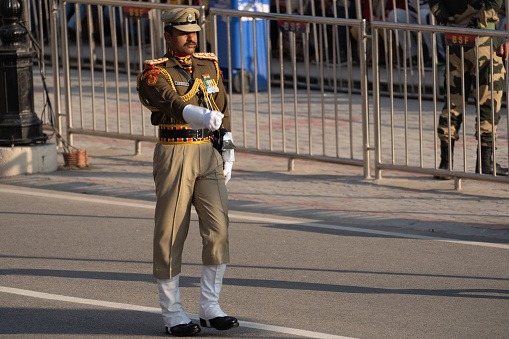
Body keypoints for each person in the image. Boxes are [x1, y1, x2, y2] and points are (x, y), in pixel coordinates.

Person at [136, 7, 239, 337]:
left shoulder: (209, 66)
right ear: (168, 36)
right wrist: (194, 112)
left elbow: (222, 108)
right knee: (171, 232)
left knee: (218, 229)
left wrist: (228, 147)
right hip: (176, 152)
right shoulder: (155, 73)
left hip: (208, 152)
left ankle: (209, 307)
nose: (191, 37)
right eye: (183, 32)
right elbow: (168, 101)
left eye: (194, 31)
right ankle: (172, 313)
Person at [429, 0, 509, 177]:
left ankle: (445, 164)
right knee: (488, 101)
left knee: (452, 102)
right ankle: (485, 163)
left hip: (455, 38)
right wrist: (474, 25)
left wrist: (446, 22)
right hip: (483, 39)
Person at [386, 0, 446, 67]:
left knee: (423, 14)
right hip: (414, 16)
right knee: (394, 15)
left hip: (436, 20)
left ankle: (438, 57)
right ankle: (412, 56)